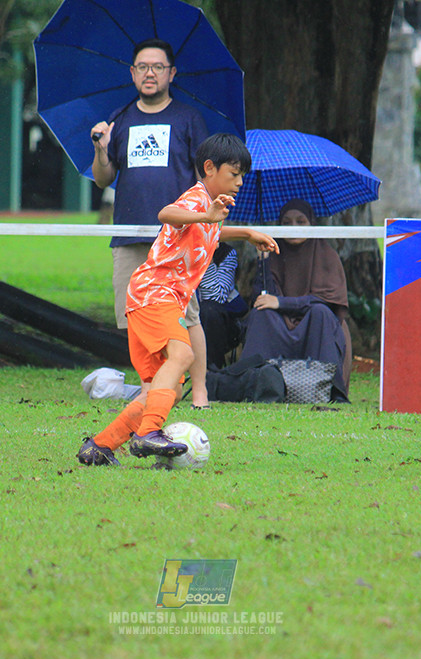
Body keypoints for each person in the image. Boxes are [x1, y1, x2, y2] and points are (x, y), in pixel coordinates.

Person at [77, 133, 278, 466]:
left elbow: (210, 231)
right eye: (234, 173)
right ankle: (147, 433)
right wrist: (206, 216)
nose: (240, 182)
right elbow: (166, 213)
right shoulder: (198, 199)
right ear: (210, 169)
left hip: (148, 298)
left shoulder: (212, 209)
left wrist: (245, 233)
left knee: (164, 391)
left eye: (243, 175)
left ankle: (100, 446)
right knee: (183, 354)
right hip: (155, 293)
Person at [90, 38, 212, 408]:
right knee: (135, 316)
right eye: (142, 66)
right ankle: (153, 385)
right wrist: (100, 147)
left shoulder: (189, 119)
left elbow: (203, 178)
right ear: (132, 72)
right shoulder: (120, 118)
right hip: (128, 233)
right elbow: (102, 178)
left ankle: (201, 390)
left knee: (186, 316)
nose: (149, 73)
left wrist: (202, 223)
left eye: (158, 67)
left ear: (172, 74)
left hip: (176, 237)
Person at [240, 199, 352, 401]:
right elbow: (262, 299)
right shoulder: (273, 252)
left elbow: (329, 302)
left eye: (301, 222)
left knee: (320, 313)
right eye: (287, 222)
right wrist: (263, 262)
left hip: (316, 326)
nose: (294, 228)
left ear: (312, 224)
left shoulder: (327, 254)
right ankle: (258, 387)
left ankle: (326, 390)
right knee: (261, 314)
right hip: (278, 324)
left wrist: (283, 303)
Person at [197, 242, 247, 369]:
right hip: (182, 319)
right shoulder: (176, 248)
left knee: (209, 311)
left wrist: (206, 257)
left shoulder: (226, 253)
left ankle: (212, 374)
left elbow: (215, 297)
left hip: (219, 325)